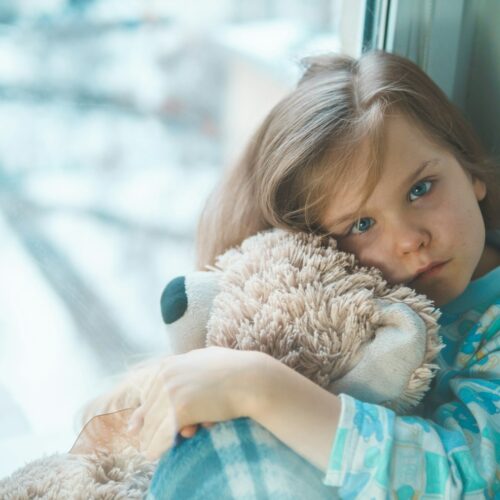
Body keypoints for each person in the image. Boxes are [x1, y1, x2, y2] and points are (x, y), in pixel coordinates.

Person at [128, 51, 500, 498]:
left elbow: (469, 480)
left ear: (470, 170)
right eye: (361, 225)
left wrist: (259, 386)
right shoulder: (342, 308)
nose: (408, 239)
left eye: (420, 189)